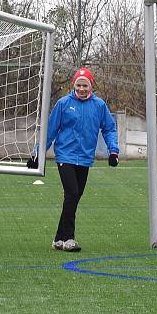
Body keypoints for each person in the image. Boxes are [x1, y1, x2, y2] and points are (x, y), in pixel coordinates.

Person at [41, 67, 119, 253]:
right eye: (79, 85)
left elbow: (109, 128)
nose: (82, 89)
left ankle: (58, 239)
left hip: (85, 158)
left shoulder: (99, 105)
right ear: (73, 85)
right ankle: (69, 239)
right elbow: (50, 130)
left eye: (85, 85)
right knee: (72, 193)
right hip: (65, 156)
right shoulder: (63, 103)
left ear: (91, 86)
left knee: (73, 198)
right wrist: (38, 153)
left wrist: (113, 151)